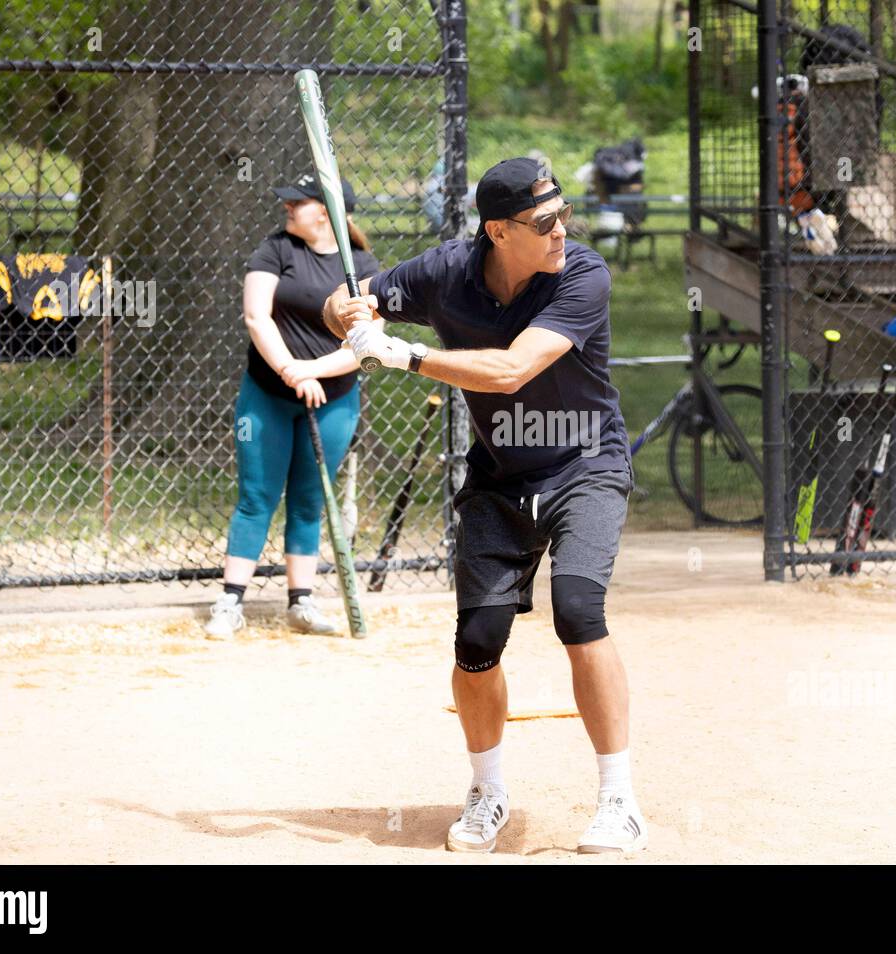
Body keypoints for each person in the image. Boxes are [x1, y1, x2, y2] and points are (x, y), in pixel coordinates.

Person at [321, 158, 646, 854]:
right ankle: (487, 790)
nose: (563, 230)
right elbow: (347, 302)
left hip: (585, 463)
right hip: (499, 477)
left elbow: (510, 369)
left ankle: (619, 800)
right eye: (543, 222)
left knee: (581, 613)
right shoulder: (446, 272)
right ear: (497, 231)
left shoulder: (583, 275)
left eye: (564, 214)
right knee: (476, 643)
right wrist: (346, 310)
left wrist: (402, 355)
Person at [203, 173, 380, 639]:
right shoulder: (276, 249)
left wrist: (314, 371)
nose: (286, 208)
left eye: (296, 202)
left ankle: (301, 603)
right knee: (257, 496)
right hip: (268, 394)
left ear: (324, 211)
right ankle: (230, 601)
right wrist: (290, 371)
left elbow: (366, 343)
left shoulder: (360, 265)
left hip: (334, 398)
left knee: (309, 499)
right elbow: (256, 317)